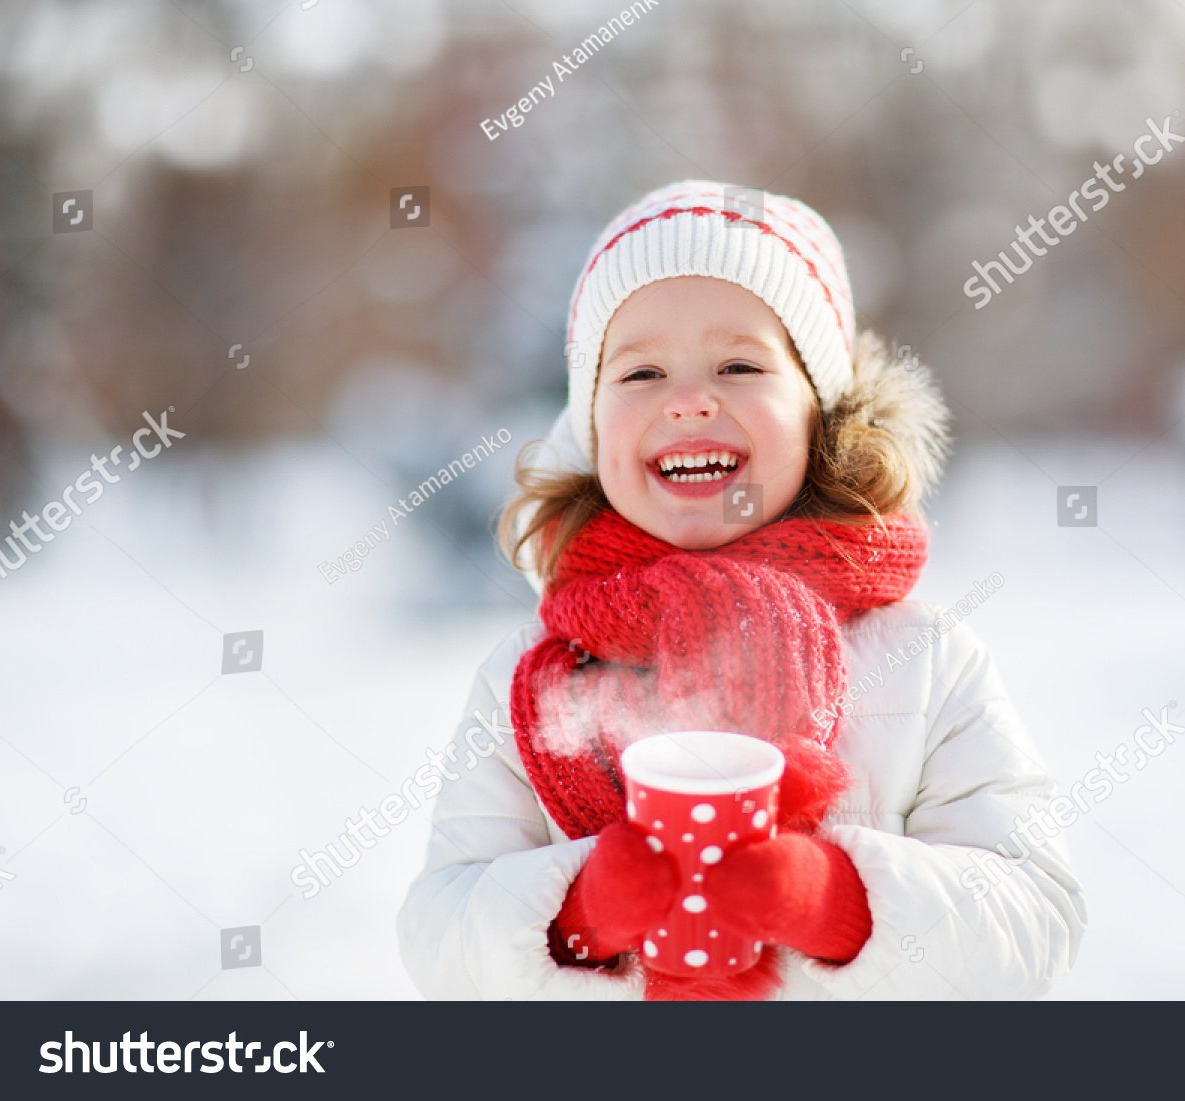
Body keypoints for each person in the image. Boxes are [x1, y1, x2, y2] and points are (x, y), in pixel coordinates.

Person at [397, 180, 1086, 999]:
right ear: (590, 424)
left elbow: (1035, 916)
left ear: (818, 411)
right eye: (641, 371)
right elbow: (441, 941)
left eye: (739, 364)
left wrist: (841, 906)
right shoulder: (527, 680)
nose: (689, 400)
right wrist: (581, 912)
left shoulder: (929, 659)